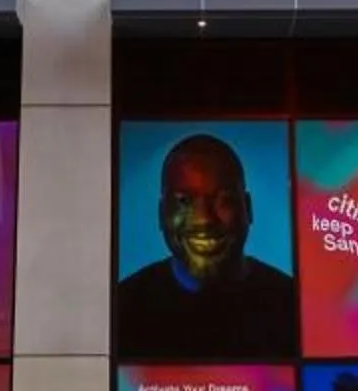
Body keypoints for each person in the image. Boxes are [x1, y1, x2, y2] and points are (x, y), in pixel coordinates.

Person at [117, 131, 297, 359]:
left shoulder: (292, 307)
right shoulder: (122, 309)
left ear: (248, 208)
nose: (204, 219)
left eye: (224, 200)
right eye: (184, 201)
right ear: (162, 213)